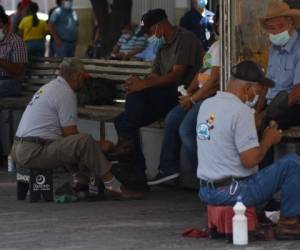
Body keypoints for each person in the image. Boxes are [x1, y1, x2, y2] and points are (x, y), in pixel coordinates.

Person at [11, 58, 143, 200]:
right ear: (75, 76)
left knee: (70, 142)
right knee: (84, 140)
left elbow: (65, 138)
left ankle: (80, 179)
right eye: (82, 75)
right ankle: (113, 186)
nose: (83, 79)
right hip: (33, 152)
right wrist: (101, 145)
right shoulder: (65, 92)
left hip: (19, 150)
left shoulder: (51, 87)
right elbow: (71, 134)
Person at [197, 60, 300, 240]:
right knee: (292, 163)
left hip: (207, 191)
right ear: (247, 88)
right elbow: (250, 160)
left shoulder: (207, 105)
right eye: (257, 92)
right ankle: (289, 224)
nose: (256, 97)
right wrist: (268, 140)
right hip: (234, 192)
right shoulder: (240, 111)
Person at [110, 9, 204, 190]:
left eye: (150, 32)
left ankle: (134, 168)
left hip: (182, 93)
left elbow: (176, 75)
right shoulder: (161, 45)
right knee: (121, 120)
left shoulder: (186, 39)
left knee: (129, 120)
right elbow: (155, 74)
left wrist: (144, 85)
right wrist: (138, 82)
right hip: (164, 94)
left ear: (160, 26)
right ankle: (138, 172)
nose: (150, 37)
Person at [148, 13, 220, 185]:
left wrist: (193, 99)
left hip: (210, 97)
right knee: (172, 118)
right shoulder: (215, 46)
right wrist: (189, 91)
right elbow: (202, 73)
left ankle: (208, 175)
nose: (220, 26)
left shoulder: (224, 47)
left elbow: (214, 80)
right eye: (218, 23)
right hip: (198, 94)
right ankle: (168, 168)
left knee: (187, 130)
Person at [256, 1, 300, 166]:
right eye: (271, 29)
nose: (275, 32)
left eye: (279, 27)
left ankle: (262, 181)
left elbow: (297, 92)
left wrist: (265, 114)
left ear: (291, 23)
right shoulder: (274, 48)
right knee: (244, 121)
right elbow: (268, 83)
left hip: (293, 105)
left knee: (265, 127)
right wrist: (257, 111)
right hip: (272, 105)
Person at [0, 5, 27, 97]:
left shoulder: (16, 42)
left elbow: (18, 70)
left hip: (10, 82)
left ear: (7, 25)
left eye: (0, 26)